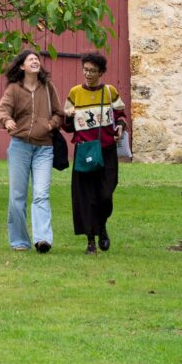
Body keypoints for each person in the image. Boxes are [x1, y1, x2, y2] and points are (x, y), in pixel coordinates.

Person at [0, 46, 66, 254]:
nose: (35, 61)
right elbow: (2, 110)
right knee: (17, 196)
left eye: (37, 59)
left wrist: (50, 125)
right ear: (22, 66)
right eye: (30, 59)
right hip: (19, 147)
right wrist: (7, 121)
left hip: (44, 148)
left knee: (41, 193)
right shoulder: (14, 89)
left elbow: (59, 113)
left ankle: (43, 239)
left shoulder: (48, 87)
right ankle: (19, 241)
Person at [66, 50, 126, 252]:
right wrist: (68, 115)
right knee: (86, 197)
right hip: (84, 151)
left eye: (93, 71)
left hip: (106, 150)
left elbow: (121, 115)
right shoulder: (74, 93)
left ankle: (102, 225)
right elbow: (67, 126)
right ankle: (91, 240)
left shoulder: (110, 92)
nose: (88, 74)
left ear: (101, 72)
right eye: (85, 70)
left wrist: (120, 126)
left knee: (105, 195)